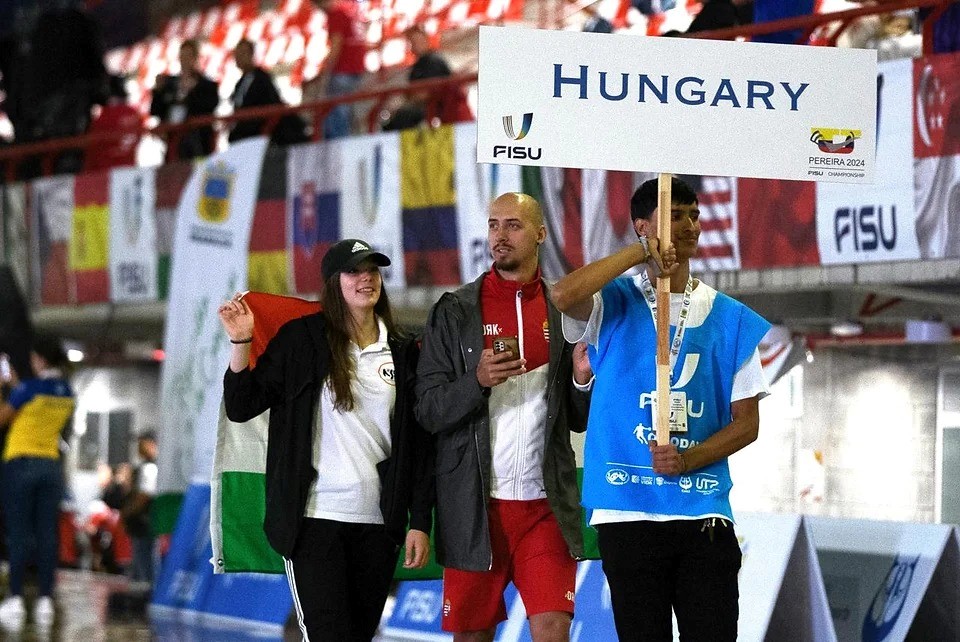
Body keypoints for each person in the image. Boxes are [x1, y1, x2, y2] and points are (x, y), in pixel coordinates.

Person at [549, 176, 771, 642]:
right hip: (626, 511)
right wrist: (640, 253)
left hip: (702, 512)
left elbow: (747, 423)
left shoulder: (731, 317)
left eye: (694, 215)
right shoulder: (611, 301)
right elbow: (562, 295)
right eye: (676, 215)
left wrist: (689, 460)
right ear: (643, 225)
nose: (689, 225)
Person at [219, 239, 433, 641]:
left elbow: (419, 446)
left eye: (373, 271)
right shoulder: (301, 340)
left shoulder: (404, 351)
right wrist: (240, 343)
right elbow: (242, 405)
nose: (366, 279)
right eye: (354, 271)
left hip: (378, 523)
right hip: (314, 520)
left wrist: (419, 520)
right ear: (334, 283)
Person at [415, 193, 591, 642]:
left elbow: (576, 418)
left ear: (540, 233)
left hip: (544, 508)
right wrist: (476, 381)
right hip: (475, 509)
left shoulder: (563, 309)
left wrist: (581, 381)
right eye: (494, 225)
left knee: (554, 630)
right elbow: (429, 409)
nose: (500, 235)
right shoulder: (455, 310)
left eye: (513, 225)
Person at [0, 335, 75, 630]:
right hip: (50, 466)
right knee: (47, 535)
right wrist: (15, 386)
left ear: (41, 359)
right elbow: (35, 399)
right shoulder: (65, 390)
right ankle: (45, 601)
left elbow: (4, 418)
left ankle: (16, 599)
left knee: (19, 534)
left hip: (21, 465)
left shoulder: (28, 390)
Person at [382, 25, 471, 131]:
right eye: (412, 42)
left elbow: (426, 93)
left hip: (437, 111)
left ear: (425, 40)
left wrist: (409, 97)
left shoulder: (433, 61)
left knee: (403, 117)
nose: (415, 45)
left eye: (417, 41)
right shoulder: (418, 65)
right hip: (427, 109)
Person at [150, 39, 219, 160]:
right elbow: (155, 110)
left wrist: (192, 91)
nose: (185, 60)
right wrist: (158, 91)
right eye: (182, 56)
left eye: (188, 56)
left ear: (196, 58)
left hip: (198, 143)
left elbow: (210, 106)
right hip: (173, 144)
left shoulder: (207, 85)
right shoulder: (169, 83)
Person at [229, 39, 306, 144]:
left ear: (251, 55)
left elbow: (272, 104)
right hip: (243, 137)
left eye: (242, 53)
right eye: (236, 55)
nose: (238, 58)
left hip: (260, 135)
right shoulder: (239, 84)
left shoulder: (262, 78)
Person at [312, 0, 367, 139]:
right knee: (347, 113)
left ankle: (340, 149)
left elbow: (337, 45)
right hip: (356, 70)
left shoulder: (336, 14)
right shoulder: (350, 12)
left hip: (343, 71)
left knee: (337, 115)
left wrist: (325, 71)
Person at [121, 431, 158, 585]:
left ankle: (145, 592)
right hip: (139, 523)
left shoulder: (149, 468)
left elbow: (145, 496)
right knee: (139, 559)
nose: (139, 447)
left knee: (143, 561)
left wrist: (129, 511)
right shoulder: (143, 466)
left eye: (142, 443)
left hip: (144, 522)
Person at [85, 74, 142, 172]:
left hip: (106, 171)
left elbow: (92, 144)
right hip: (129, 167)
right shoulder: (134, 113)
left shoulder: (105, 116)